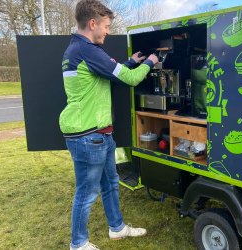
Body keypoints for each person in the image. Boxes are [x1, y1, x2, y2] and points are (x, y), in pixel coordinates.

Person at [59, 0, 158, 249]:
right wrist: (150, 62)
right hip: (87, 135)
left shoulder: (79, 50)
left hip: (101, 134)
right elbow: (131, 80)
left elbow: (106, 74)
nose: (107, 31)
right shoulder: (87, 50)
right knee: (87, 193)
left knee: (111, 184)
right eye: (106, 26)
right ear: (92, 23)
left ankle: (117, 228)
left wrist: (131, 61)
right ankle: (78, 243)